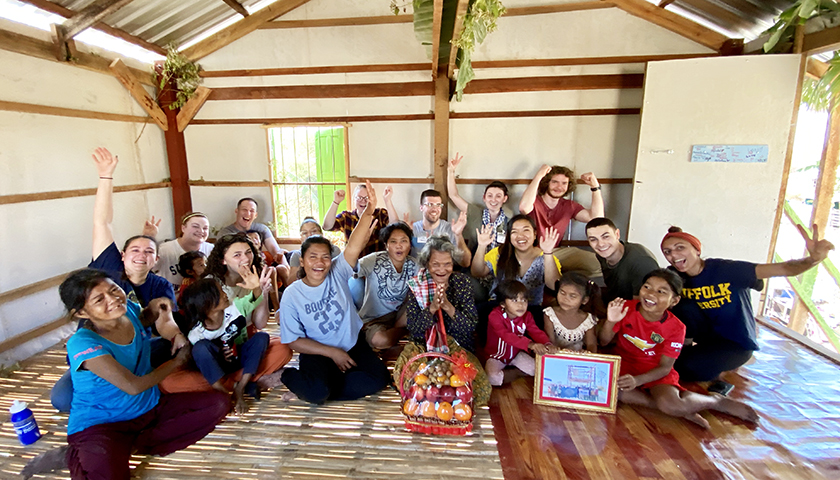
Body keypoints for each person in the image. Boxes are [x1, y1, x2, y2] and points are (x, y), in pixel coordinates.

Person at [50, 268, 229, 479]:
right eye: (99, 299)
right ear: (81, 313)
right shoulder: (84, 343)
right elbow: (133, 386)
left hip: (149, 408)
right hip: (102, 423)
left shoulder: (128, 311)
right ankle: (84, 452)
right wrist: (177, 362)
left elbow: (143, 318)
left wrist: (154, 309)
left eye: (114, 289)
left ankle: (131, 445)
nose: (114, 299)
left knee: (218, 404)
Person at [51, 147, 182, 413]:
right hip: (103, 355)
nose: (141, 255)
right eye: (135, 250)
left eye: (149, 251)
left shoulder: (160, 285)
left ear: (156, 260)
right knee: (62, 399)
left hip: (138, 350)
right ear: (121, 255)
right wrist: (105, 177)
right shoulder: (107, 270)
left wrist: (178, 337)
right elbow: (103, 223)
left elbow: (165, 320)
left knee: (168, 356)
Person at [661, 225, 835, 393]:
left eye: (680, 248)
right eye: (667, 252)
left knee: (688, 370)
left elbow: (783, 269)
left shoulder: (727, 270)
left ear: (697, 250)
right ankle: (682, 350)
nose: (673, 255)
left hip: (735, 343)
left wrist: (812, 259)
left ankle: (720, 369)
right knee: (681, 308)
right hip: (706, 336)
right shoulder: (675, 276)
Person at [599, 269, 759, 429]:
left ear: (674, 301)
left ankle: (715, 401)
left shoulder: (676, 328)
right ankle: (680, 411)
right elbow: (604, 341)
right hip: (624, 366)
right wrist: (611, 320)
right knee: (609, 392)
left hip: (655, 371)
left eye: (661, 291)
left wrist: (638, 381)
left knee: (671, 404)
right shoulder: (625, 308)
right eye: (647, 287)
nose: (651, 294)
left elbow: (665, 367)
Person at [278, 180, 390, 404]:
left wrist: (368, 212)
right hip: (318, 352)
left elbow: (354, 247)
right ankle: (289, 377)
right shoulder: (292, 294)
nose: (320, 263)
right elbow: (293, 341)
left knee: (379, 378)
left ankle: (321, 389)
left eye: (325, 257)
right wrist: (332, 353)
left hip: (352, 344)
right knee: (319, 390)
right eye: (313, 257)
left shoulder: (337, 273)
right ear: (302, 261)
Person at [397, 235, 491, 406]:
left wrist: (447, 306)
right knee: (409, 380)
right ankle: (434, 400)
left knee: (479, 389)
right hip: (423, 346)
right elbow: (414, 328)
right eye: (436, 264)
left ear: (453, 264)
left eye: (447, 264)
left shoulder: (462, 283)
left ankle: (442, 399)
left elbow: (469, 326)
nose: (442, 269)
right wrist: (432, 308)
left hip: (458, 346)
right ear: (427, 264)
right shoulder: (417, 286)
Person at [180, 270, 273, 414]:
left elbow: (255, 296)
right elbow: (202, 361)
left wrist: (256, 286)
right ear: (206, 304)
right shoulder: (196, 334)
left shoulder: (235, 308)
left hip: (239, 358)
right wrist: (218, 351)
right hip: (219, 366)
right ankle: (224, 392)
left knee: (262, 338)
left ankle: (240, 387)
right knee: (200, 349)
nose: (225, 294)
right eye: (220, 293)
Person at [519, 164, 603, 277]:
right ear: (546, 183)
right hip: (531, 254)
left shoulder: (569, 205)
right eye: (554, 182)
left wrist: (595, 187)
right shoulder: (534, 201)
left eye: (564, 183)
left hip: (554, 253)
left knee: (598, 264)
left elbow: (597, 219)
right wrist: (539, 176)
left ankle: (562, 280)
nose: (559, 187)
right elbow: (524, 208)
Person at [471, 215, 561, 315]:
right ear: (509, 236)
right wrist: (481, 246)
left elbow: (554, 285)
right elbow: (477, 272)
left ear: (535, 234)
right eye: (514, 232)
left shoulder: (545, 257)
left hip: (530, 309)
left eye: (525, 230)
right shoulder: (499, 253)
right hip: (498, 306)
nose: (520, 235)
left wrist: (548, 252)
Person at [355, 222, 418, 349]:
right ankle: (403, 331)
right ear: (386, 246)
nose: (399, 246)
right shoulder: (374, 260)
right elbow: (347, 269)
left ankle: (398, 329)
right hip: (374, 319)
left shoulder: (414, 264)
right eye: (393, 241)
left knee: (418, 297)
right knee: (381, 340)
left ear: (410, 245)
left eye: (403, 241)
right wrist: (359, 244)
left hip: (399, 317)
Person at [484, 281, 555, 386]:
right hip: (496, 355)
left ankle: (513, 372)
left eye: (524, 300)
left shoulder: (527, 316)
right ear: (502, 303)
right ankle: (518, 373)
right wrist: (530, 344)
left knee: (538, 370)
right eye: (514, 300)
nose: (520, 304)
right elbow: (506, 335)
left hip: (516, 354)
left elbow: (536, 332)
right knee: (491, 378)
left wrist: (547, 344)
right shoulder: (495, 316)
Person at [446, 153, 513, 252]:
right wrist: (451, 171)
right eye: (489, 196)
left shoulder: (510, 219)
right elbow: (453, 195)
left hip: (500, 265)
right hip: (475, 262)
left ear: (505, 199)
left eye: (498, 196)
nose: (493, 200)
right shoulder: (475, 213)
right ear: (484, 198)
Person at [586, 217, 659, 303]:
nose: (601, 244)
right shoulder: (601, 255)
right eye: (593, 239)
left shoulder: (641, 262)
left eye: (606, 237)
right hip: (616, 302)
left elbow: (641, 306)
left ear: (617, 234)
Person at [323, 184, 399, 257]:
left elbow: (396, 226)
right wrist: (336, 202)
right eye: (359, 197)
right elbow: (327, 226)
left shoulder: (380, 214)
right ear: (354, 199)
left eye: (367, 198)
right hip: (353, 263)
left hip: (377, 263)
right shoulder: (347, 217)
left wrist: (387, 200)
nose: (363, 201)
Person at [148, 212, 214, 289]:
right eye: (196, 226)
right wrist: (148, 237)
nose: (201, 231)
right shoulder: (164, 249)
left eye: (205, 228)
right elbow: (147, 268)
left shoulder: (212, 249)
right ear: (183, 228)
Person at [411, 189, 472, 268]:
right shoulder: (413, 228)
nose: (434, 209)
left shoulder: (450, 229)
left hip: (442, 275)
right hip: (417, 276)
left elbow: (465, 263)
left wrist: (458, 234)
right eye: (430, 204)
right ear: (421, 207)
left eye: (438, 205)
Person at [543, 272, 598, 352]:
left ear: (584, 300)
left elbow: (591, 345)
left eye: (572, 296)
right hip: (555, 356)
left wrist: (587, 353)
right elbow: (550, 341)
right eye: (562, 293)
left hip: (577, 360)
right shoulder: (550, 314)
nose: (565, 299)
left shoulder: (588, 320)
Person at [218, 198, 287, 260]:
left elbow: (275, 251)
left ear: (256, 215)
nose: (248, 214)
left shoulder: (262, 229)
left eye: (252, 211)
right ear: (236, 211)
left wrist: (284, 265)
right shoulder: (225, 233)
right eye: (244, 209)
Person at [287, 217, 341, 284]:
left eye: (314, 231)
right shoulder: (297, 255)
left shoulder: (334, 250)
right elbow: (290, 283)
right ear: (301, 238)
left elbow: (341, 275)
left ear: (321, 234)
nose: (309, 235)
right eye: (304, 233)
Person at [245, 229, 283, 311]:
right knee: (271, 270)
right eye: (251, 238)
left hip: (269, 284)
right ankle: (277, 307)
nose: (254, 240)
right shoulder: (245, 256)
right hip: (254, 284)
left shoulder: (265, 255)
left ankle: (280, 306)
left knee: (274, 269)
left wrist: (282, 251)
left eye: (256, 238)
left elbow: (277, 260)